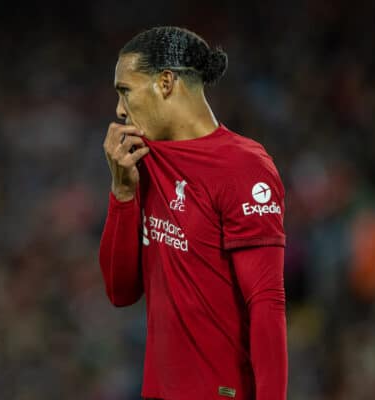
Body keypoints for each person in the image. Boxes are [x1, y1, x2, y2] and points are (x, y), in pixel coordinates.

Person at [99, 26, 287, 400]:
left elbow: (266, 303)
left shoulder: (242, 167)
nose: (120, 109)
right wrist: (122, 193)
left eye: (126, 90)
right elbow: (121, 291)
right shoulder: (144, 161)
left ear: (166, 82)